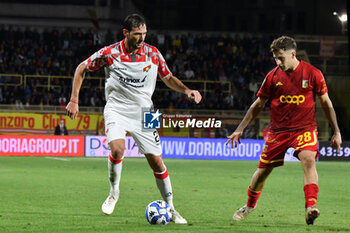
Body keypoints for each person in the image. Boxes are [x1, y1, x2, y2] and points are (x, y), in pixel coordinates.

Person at [65, 13, 201, 224]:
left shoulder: (153, 54)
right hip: (116, 108)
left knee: (157, 162)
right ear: (126, 33)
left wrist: (187, 91)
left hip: (147, 112)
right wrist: (74, 99)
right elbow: (81, 68)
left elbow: (168, 78)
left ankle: (172, 209)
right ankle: (114, 192)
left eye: (144, 34)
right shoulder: (110, 53)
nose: (142, 38)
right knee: (118, 149)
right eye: (137, 34)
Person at [226, 36, 342, 225]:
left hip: (304, 129)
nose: (278, 62)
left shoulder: (313, 73)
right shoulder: (272, 77)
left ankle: (310, 207)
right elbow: (258, 105)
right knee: (262, 172)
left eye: (281, 58)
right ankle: (250, 205)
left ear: (292, 54)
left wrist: (336, 131)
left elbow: (326, 103)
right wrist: (240, 129)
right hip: (278, 132)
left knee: (309, 160)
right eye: (275, 58)